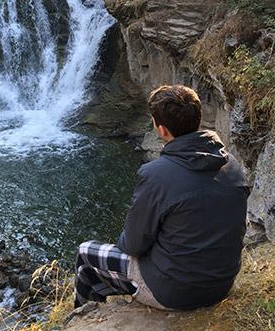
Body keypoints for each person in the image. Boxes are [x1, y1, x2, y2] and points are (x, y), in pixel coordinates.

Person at [74, 84, 250, 311]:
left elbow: (134, 244)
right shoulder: (231, 164)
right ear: (197, 119)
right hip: (221, 284)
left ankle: (84, 317)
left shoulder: (156, 174)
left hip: (174, 292)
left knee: (86, 254)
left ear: (162, 129)